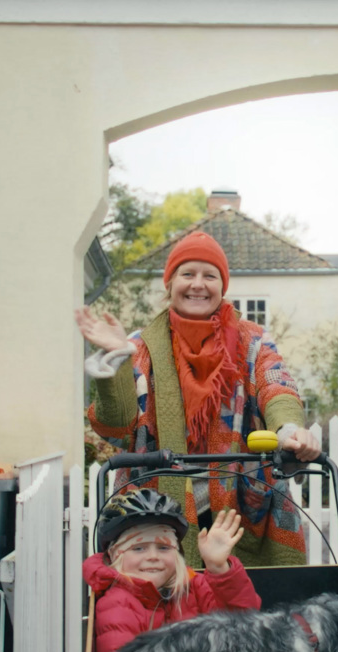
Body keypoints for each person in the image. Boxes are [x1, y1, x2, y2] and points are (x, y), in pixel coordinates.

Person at [76, 230, 320, 567]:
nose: (198, 284)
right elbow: (115, 426)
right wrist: (117, 358)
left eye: (209, 275)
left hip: (242, 506)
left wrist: (289, 429)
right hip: (158, 512)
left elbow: (276, 386)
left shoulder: (253, 341)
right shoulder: (139, 346)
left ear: (222, 286)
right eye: (187, 274)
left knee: (246, 609)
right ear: (170, 283)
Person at [83, 487, 262, 652]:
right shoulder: (118, 603)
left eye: (164, 547)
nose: (153, 556)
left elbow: (243, 626)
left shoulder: (195, 586)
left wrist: (218, 567)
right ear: (115, 554)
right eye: (138, 548)